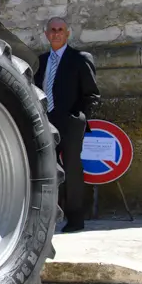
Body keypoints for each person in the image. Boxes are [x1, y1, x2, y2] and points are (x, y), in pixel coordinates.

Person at [35, 17, 101, 232]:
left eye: (60, 29)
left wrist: (79, 117)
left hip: (70, 123)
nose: (56, 33)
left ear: (67, 33)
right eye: (52, 30)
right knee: (46, 170)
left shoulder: (80, 59)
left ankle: (75, 218)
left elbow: (92, 94)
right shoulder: (40, 62)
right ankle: (49, 216)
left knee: (72, 169)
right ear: (46, 34)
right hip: (45, 123)